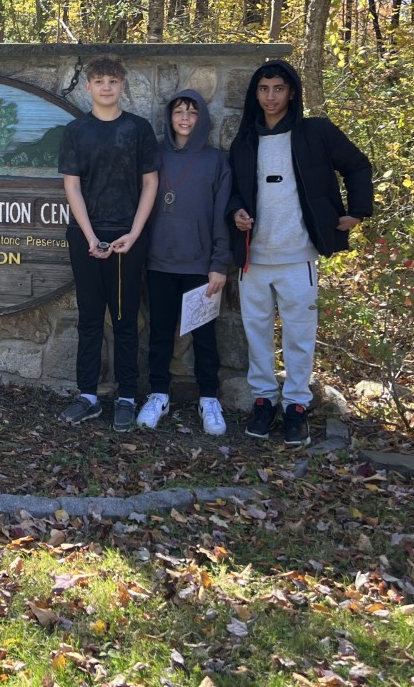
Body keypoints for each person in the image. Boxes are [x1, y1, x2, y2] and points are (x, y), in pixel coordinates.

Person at [226, 60, 373, 447]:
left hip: (298, 255)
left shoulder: (315, 133)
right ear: (254, 94)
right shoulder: (244, 141)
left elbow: (357, 165)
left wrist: (355, 212)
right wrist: (236, 212)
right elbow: (234, 192)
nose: (270, 97)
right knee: (256, 335)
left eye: (278, 88)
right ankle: (263, 401)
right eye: (263, 89)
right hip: (253, 258)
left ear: (292, 92)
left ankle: (296, 406)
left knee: (299, 336)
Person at [57, 55, 160, 433]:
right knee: (88, 318)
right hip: (86, 237)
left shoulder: (138, 130)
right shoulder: (76, 131)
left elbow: (150, 183)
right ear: (88, 87)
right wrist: (89, 236)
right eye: (98, 81)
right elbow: (72, 185)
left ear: (122, 86)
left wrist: (133, 233)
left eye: (112, 81)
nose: (105, 87)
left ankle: (127, 397)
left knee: (125, 319)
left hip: (127, 239)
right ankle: (87, 395)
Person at [138, 90, 232, 435]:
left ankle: (209, 398)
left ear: (202, 118)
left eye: (192, 113)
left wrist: (219, 262)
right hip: (159, 261)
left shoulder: (216, 161)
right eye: (179, 111)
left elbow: (223, 215)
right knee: (160, 332)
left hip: (199, 265)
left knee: (205, 335)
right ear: (170, 117)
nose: (185, 118)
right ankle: (158, 394)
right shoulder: (154, 156)